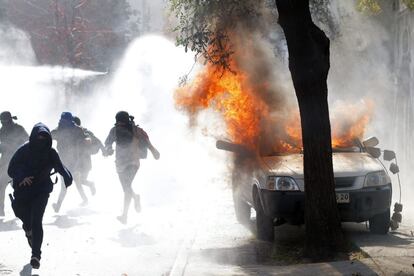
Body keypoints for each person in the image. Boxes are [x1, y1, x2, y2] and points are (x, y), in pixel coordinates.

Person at [8, 123, 72, 269]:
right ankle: (28, 230)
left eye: (44, 137)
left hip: (42, 191)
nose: (41, 139)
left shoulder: (51, 152)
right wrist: (22, 177)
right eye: (39, 136)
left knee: (37, 220)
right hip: (23, 191)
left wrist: (68, 178)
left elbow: (61, 167)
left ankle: (35, 255)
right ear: (33, 137)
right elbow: (11, 169)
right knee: (23, 215)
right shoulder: (24, 150)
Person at [104, 111, 160, 224]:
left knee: (127, 186)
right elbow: (108, 143)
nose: (119, 124)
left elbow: (147, 142)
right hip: (120, 163)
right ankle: (135, 198)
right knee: (126, 188)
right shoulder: (114, 130)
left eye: (120, 121)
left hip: (133, 163)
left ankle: (124, 215)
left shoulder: (135, 130)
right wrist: (108, 149)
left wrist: (154, 151)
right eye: (118, 122)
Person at [51, 112, 90, 212]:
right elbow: (86, 138)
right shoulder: (76, 129)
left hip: (65, 162)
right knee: (76, 183)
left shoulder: (59, 129)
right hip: (71, 161)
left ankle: (58, 206)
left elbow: (49, 136)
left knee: (65, 186)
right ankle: (84, 199)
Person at [0, 111, 29, 216]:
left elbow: (28, 142)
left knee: (20, 186)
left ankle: (23, 208)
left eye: (5, 121)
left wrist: (16, 146)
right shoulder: (1, 131)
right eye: (2, 122)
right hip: (5, 163)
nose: (4, 124)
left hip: (18, 162)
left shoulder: (19, 129)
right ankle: (1, 210)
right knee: (1, 185)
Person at [73, 116, 104, 195]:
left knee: (82, 180)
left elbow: (98, 141)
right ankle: (85, 198)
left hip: (85, 161)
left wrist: (104, 151)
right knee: (77, 180)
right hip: (77, 161)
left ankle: (90, 185)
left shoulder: (85, 132)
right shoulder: (71, 133)